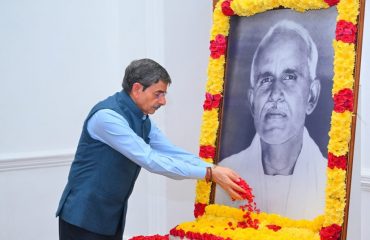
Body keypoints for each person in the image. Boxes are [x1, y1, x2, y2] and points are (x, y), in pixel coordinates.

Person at [56, 58, 245, 240]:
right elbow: (151, 160)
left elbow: (170, 151)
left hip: (110, 217)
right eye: (158, 94)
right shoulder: (107, 117)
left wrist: (213, 168)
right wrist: (209, 173)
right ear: (137, 89)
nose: (163, 101)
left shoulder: (143, 118)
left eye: (164, 94)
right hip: (83, 216)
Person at [215, 20, 327, 220]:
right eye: (265, 79)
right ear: (252, 101)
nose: (275, 94)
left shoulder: (331, 180)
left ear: (311, 96)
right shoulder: (226, 173)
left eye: (289, 77)